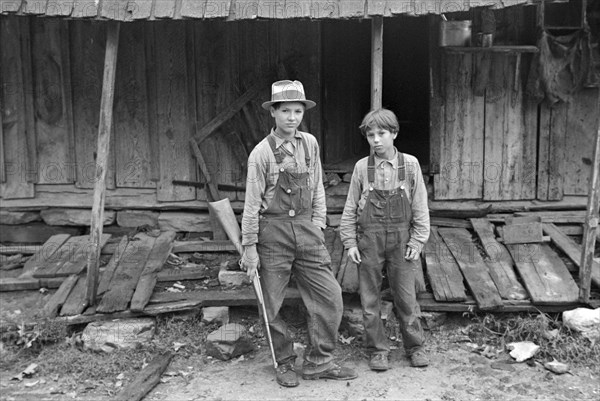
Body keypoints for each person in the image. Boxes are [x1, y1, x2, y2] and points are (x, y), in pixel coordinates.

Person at [240, 80, 357, 387]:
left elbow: (317, 185)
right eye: (285, 111)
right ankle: (284, 362)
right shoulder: (261, 154)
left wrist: (319, 223)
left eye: (297, 111)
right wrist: (249, 246)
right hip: (272, 234)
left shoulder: (309, 143)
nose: (292, 117)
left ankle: (320, 361)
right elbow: (252, 204)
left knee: (329, 296)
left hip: (307, 230)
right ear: (273, 113)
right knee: (272, 302)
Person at [339, 108, 430, 371]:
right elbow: (350, 208)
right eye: (370, 135)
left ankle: (415, 347)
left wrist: (417, 241)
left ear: (395, 133)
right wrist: (350, 242)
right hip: (369, 240)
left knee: (405, 298)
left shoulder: (410, 165)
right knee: (369, 300)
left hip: (401, 241)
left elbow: (420, 207)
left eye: (382, 133)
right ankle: (377, 350)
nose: (376, 140)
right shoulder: (361, 168)